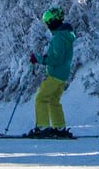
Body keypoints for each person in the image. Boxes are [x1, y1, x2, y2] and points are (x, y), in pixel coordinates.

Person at [25, 7, 75, 138]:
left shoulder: (59, 37)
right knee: (54, 100)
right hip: (63, 74)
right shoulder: (65, 35)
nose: (46, 24)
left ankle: (42, 127)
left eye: (48, 20)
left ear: (54, 21)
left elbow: (56, 59)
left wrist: (39, 58)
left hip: (55, 74)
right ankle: (59, 127)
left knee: (41, 98)